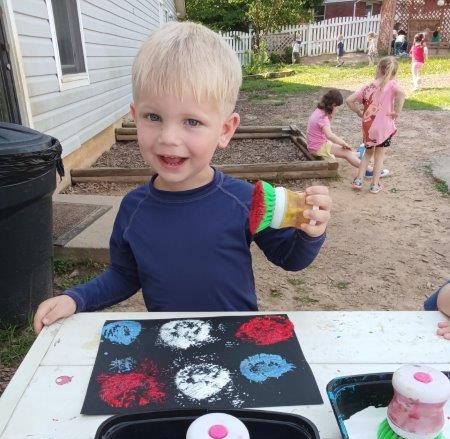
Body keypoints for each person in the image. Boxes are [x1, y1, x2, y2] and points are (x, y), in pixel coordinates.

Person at [33, 21, 332, 333]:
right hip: (169, 342)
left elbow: (289, 258)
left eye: (191, 121)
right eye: (153, 117)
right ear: (135, 118)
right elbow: (124, 276)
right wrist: (75, 298)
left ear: (225, 130)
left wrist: (310, 233)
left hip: (236, 341)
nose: (169, 137)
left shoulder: (245, 200)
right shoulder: (133, 209)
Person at [346, 57, 405, 194]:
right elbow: (402, 94)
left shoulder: (369, 86)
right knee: (379, 156)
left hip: (368, 126)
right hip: (384, 127)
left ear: (379, 68)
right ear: (394, 72)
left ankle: (358, 181)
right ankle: (374, 185)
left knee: (367, 153)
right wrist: (397, 111)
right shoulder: (392, 85)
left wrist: (359, 112)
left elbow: (349, 100)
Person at [306, 89, 359, 167]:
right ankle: (369, 169)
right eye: (336, 106)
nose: (337, 109)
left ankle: (355, 155)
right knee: (346, 153)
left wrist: (331, 114)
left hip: (315, 145)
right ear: (333, 105)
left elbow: (326, 127)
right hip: (318, 148)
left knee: (344, 150)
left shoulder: (319, 110)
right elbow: (330, 135)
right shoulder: (323, 117)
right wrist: (343, 143)